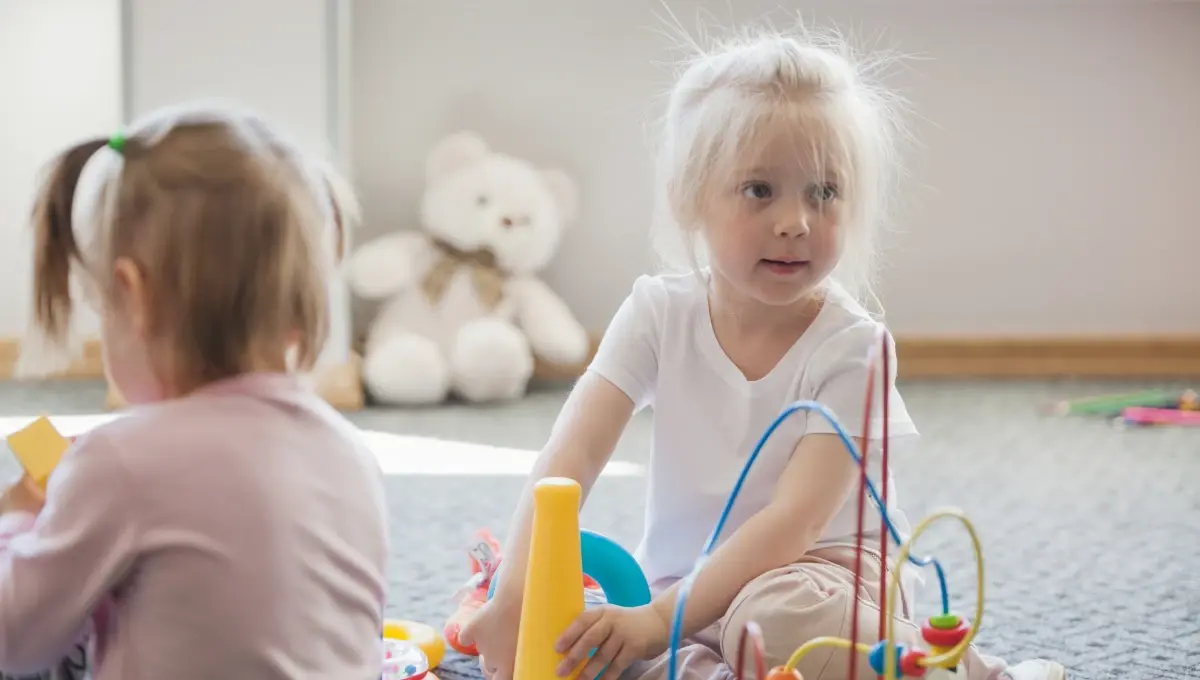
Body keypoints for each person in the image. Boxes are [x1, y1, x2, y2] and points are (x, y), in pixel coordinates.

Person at [456, 26, 1066, 680]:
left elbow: (794, 524)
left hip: (823, 582)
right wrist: (518, 595)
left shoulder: (854, 348)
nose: (795, 222)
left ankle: (977, 673)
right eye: (759, 190)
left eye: (824, 193)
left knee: (767, 618)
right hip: (681, 591)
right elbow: (569, 456)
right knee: (598, 644)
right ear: (691, 197)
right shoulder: (657, 314)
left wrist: (659, 621)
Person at [0, 103, 389, 679]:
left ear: (133, 294)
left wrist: (21, 520)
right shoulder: (351, 452)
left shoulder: (119, 461)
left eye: (99, 304)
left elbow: (15, 644)